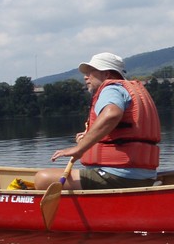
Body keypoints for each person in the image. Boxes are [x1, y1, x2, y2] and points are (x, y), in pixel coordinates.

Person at [33, 52, 161, 190]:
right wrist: (88, 137)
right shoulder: (125, 89)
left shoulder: (110, 89)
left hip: (119, 177)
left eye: (90, 72)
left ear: (106, 74)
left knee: (42, 178)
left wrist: (79, 149)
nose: (85, 77)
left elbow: (112, 114)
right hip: (143, 175)